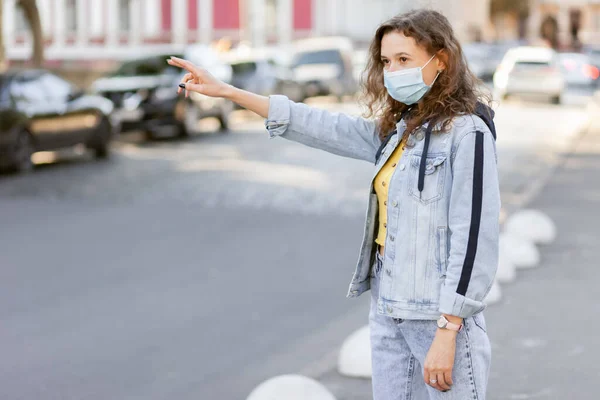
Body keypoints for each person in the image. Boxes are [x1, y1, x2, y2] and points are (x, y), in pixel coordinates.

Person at [168, 9, 499, 400]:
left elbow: (473, 238)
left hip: (439, 320)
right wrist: (229, 92)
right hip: (388, 312)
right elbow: (324, 126)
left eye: (404, 60)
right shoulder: (399, 132)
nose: (393, 71)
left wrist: (448, 329)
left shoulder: (467, 133)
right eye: (387, 61)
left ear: (440, 60)